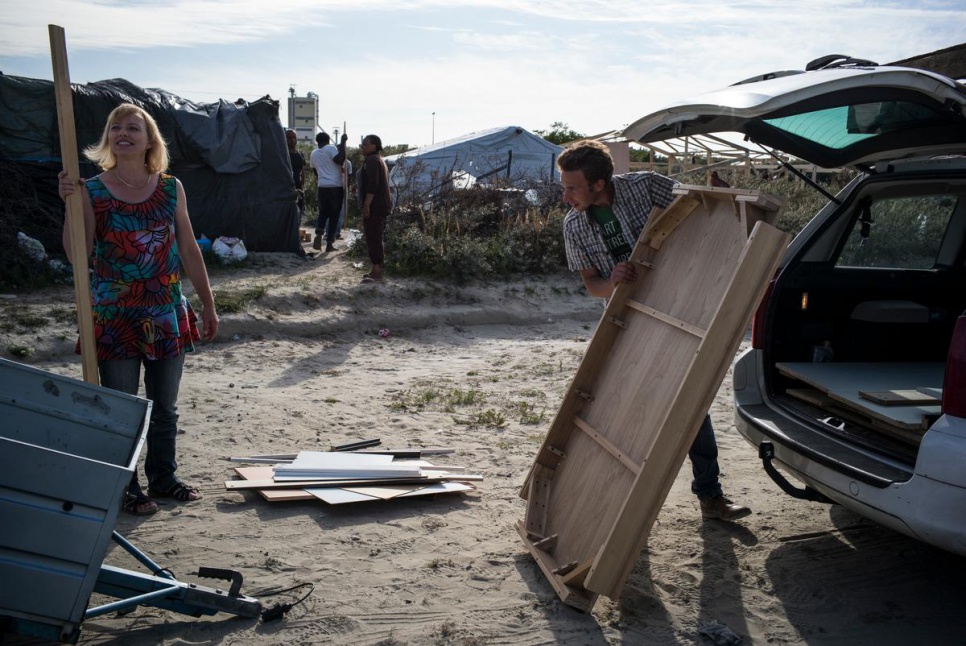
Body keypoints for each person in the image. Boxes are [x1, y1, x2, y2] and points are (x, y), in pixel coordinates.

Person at [557, 140, 750, 522]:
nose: (565, 197)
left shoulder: (644, 186)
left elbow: (699, 210)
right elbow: (591, 284)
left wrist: (720, 195)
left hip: (679, 307)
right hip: (624, 321)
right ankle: (616, 508)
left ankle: (710, 497)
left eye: (572, 187)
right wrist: (613, 281)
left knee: (691, 402)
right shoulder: (574, 225)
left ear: (598, 184)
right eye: (563, 187)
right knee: (623, 410)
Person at [58, 103, 218, 516]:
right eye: (116, 127)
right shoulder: (91, 190)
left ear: (150, 140)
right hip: (114, 314)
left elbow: (187, 248)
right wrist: (69, 205)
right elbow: (79, 255)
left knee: (164, 405)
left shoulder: (170, 187)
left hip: (166, 310)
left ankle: (163, 478)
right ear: (107, 138)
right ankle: (126, 486)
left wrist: (208, 303)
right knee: (122, 407)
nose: (123, 133)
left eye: (133, 127)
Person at [357, 134, 392, 283]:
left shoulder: (372, 160)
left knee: (374, 236)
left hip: (376, 205)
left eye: (365, 144)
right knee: (375, 235)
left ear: (374, 145)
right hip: (381, 204)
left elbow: (373, 184)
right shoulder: (378, 160)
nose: (362, 147)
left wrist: (366, 205)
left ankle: (377, 272)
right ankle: (375, 269)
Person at [309, 131, 348, 252]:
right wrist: (342, 142)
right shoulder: (330, 148)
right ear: (328, 140)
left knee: (323, 213)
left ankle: (319, 234)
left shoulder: (313, 153)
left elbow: (315, 171)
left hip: (322, 186)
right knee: (334, 215)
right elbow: (340, 160)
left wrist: (324, 176)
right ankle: (329, 243)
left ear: (317, 141)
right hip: (335, 187)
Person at [286, 129, 306, 218]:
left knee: (299, 212)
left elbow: (302, 169)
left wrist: (302, 182)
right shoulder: (284, 154)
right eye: (289, 138)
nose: (292, 140)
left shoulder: (300, 154)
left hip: (299, 187)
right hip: (287, 188)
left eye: (294, 137)